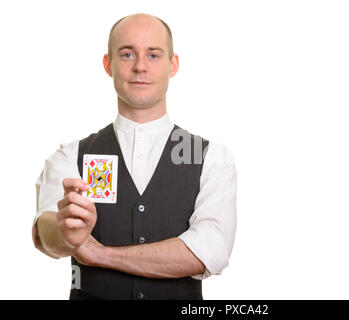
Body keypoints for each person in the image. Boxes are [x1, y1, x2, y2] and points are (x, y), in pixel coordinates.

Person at [32, 13, 237, 300]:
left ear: (172, 65)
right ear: (108, 64)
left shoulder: (211, 157)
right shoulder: (71, 155)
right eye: (127, 54)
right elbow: (46, 234)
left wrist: (99, 254)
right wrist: (64, 232)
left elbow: (209, 251)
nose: (140, 67)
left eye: (153, 55)